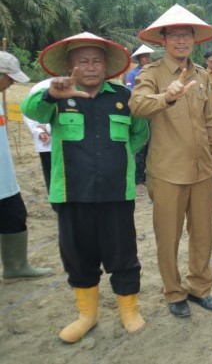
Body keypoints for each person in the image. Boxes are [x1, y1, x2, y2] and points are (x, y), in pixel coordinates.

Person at [21, 33, 148, 343]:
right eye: (83, 61)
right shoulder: (57, 95)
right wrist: (52, 94)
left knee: (123, 253)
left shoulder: (123, 97)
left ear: (106, 66)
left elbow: (139, 134)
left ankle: (128, 310)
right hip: (71, 193)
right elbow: (31, 111)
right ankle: (86, 315)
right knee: (78, 255)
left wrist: (119, 162)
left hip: (117, 193)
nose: (90, 67)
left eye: (96, 61)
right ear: (70, 66)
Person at [129, 4, 212, 318]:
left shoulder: (201, 76)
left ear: (194, 40)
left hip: (201, 172)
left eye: (187, 35)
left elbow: (210, 120)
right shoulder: (152, 74)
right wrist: (167, 97)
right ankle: (174, 293)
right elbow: (137, 105)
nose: (182, 41)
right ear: (163, 39)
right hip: (168, 173)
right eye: (175, 36)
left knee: (203, 235)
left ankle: (200, 288)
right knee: (168, 238)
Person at [0, 52, 53, 283]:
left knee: (14, 215)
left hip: (5, 176)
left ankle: (16, 266)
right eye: (9, 78)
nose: (11, 83)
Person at [124, 45, 155, 196]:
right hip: (140, 113)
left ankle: (149, 177)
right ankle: (138, 181)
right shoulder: (132, 75)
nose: (147, 58)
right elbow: (130, 94)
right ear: (139, 58)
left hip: (154, 113)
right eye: (144, 56)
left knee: (153, 146)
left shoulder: (154, 73)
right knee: (140, 149)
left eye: (148, 56)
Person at [22, 78, 52, 197]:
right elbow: (28, 112)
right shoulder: (41, 87)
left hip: (74, 145)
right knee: (53, 177)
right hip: (48, 145)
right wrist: (39, 130)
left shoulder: (83, 86)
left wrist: (45, 127)